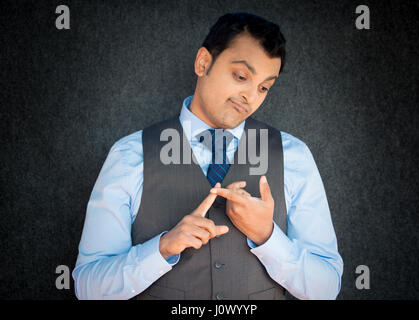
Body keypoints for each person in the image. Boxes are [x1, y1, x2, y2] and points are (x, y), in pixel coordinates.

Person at [72, 12, 343, 300]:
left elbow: (325, 290)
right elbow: (88, 289)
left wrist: (268, 236)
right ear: (203, 63)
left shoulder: (294, 156)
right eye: (241, 76)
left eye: (264, 87)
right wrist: (161, 248)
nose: (250, 95)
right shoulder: (129, 154)